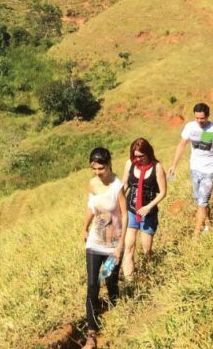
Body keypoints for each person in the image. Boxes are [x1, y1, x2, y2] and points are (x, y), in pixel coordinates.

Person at [82, 147, 128, 348]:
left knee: (110, 282)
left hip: (112, 245)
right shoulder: (92, 183)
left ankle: (117, 312)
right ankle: (91, 333)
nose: (98, 172)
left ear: (109, 164)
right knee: (92, 285)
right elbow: (91, 207)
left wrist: (120, 246)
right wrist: (83, 228)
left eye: (101, 168)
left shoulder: (117, 186)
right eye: (94, 169)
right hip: (94, 242)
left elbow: (125, 215)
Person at [169, 103, 213, 237]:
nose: (200, 121)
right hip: (194, 168)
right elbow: (182, 145)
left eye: (202, 118)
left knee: (202, 202)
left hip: (209, 170)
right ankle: (209, 224)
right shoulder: (190, 127)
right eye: (197, 118)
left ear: (208, 116)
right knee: (199, 200)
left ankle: (196, 234)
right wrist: (174, 165)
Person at [121, 138, 167, 281]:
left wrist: (148, 207)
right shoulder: (130, 164)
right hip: (131, 210)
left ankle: (151, 271)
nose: (138, 159)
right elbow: (125, 185)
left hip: (148, 213)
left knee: (146, 249)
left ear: (148, 153)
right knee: (128, 247)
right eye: (136, 156)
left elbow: (163, 193)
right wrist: (118, 202)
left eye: (142, 156)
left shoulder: (157, 167)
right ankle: (130, 280)